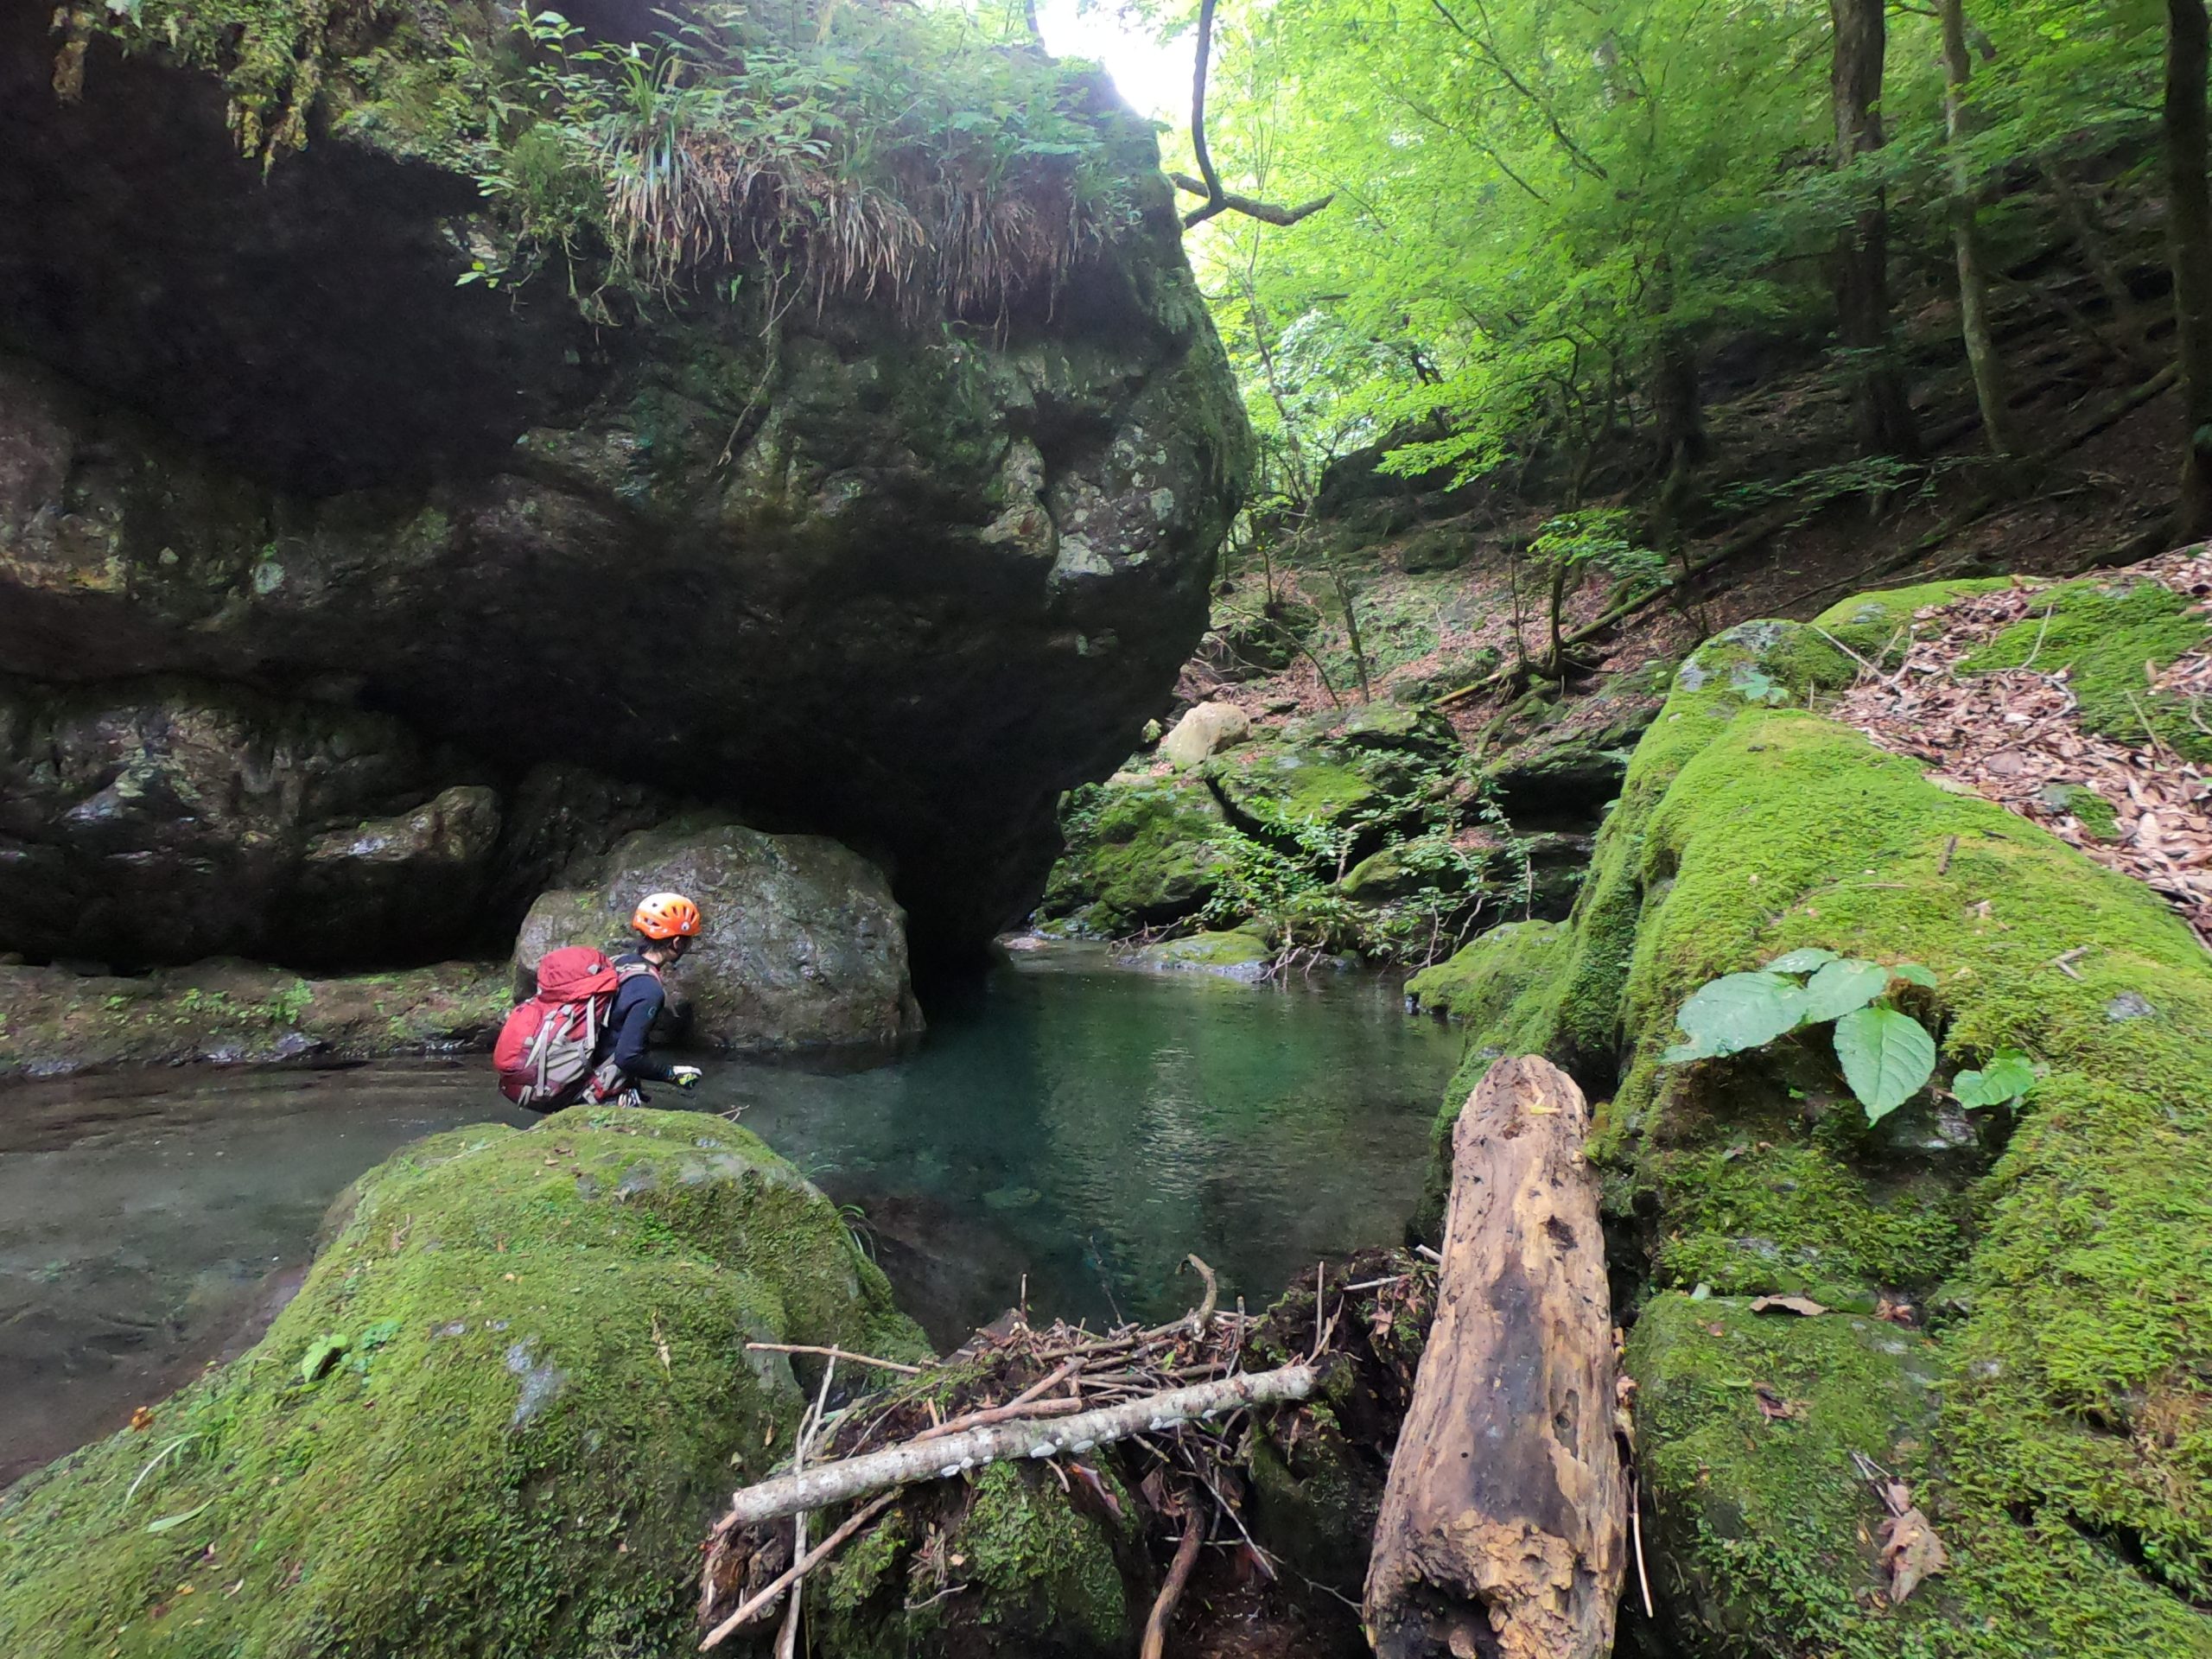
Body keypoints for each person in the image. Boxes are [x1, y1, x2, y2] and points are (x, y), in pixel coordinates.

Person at [591, 891, 707, 1104]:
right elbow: (627, 1058)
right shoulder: (648, 990)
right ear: (677, 942)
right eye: (688, 941)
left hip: (579, 1073)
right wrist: (671, 1074)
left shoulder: (617, 962)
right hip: (600, 1090)